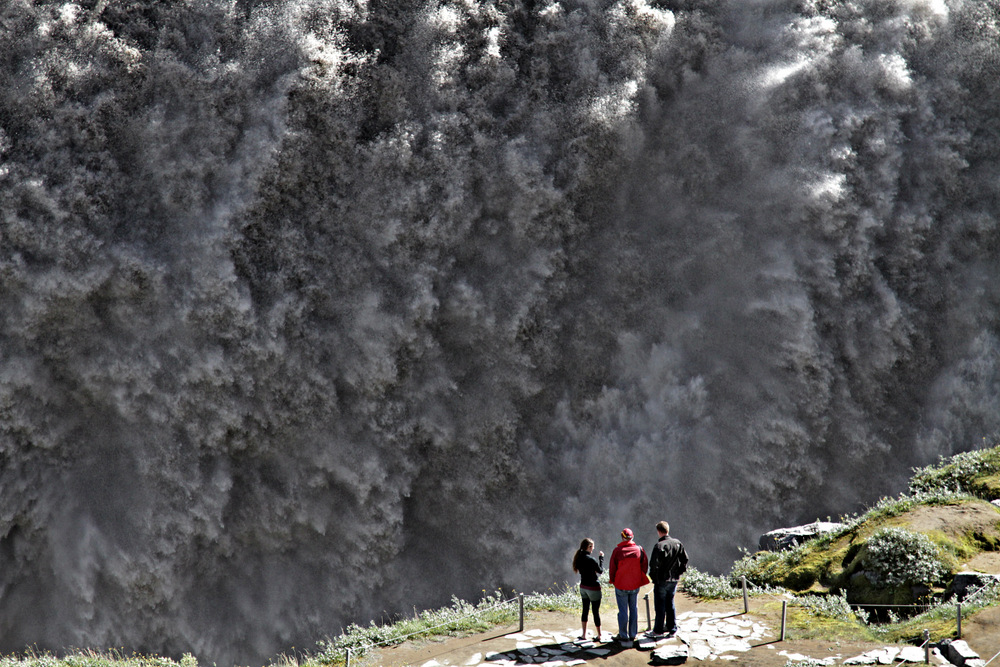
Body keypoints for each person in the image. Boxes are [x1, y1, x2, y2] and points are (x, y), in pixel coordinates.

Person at [647, 520, 689, 638]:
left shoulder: (659, 546)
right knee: (670, 603)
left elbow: (653, 565)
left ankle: (658, 630)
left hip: (662, 580)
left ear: (659, 532)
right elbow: (685, 559)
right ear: (668, 530)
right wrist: (680, 571)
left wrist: (654, 578)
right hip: (674, 580)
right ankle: (672, 628)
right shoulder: (677, 543)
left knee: (660, 605)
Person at [608, 527, 649, 645]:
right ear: (632, 537)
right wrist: (640, 576)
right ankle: (633, 634)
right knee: (633, 609)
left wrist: (613, 580)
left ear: (622, 537)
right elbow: (644, 565)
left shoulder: (617, 551)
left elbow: (612, 568)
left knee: (623, 611)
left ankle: (623, 635)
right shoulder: (639, 549)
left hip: (621, 585)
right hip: (634, 585)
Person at [572, 538, 604, 641]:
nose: (593, 548)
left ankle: (584, 635)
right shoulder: (591, 560)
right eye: (592, 546)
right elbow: (600, 571)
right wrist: (601, 558)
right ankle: (599, 635)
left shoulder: (578, 558)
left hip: (583, 587)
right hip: (593, 588)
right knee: (595, 612)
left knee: (585, 610)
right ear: (588, 547)